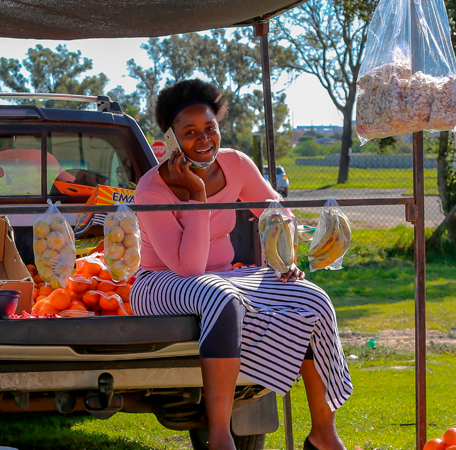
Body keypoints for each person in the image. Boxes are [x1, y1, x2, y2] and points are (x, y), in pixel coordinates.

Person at [131, 79, 352, 450]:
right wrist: (197, 195)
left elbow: (277, 213)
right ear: (171, 139)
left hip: (225, 280)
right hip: (160, 284)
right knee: (221, 296)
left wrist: (287, 262)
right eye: (190, 133)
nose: (204, 139)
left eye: (210, 128)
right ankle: (220, 438)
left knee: (312, 297)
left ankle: (323, 435)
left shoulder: (235, 164)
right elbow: (189, 269)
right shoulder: (152, 188)